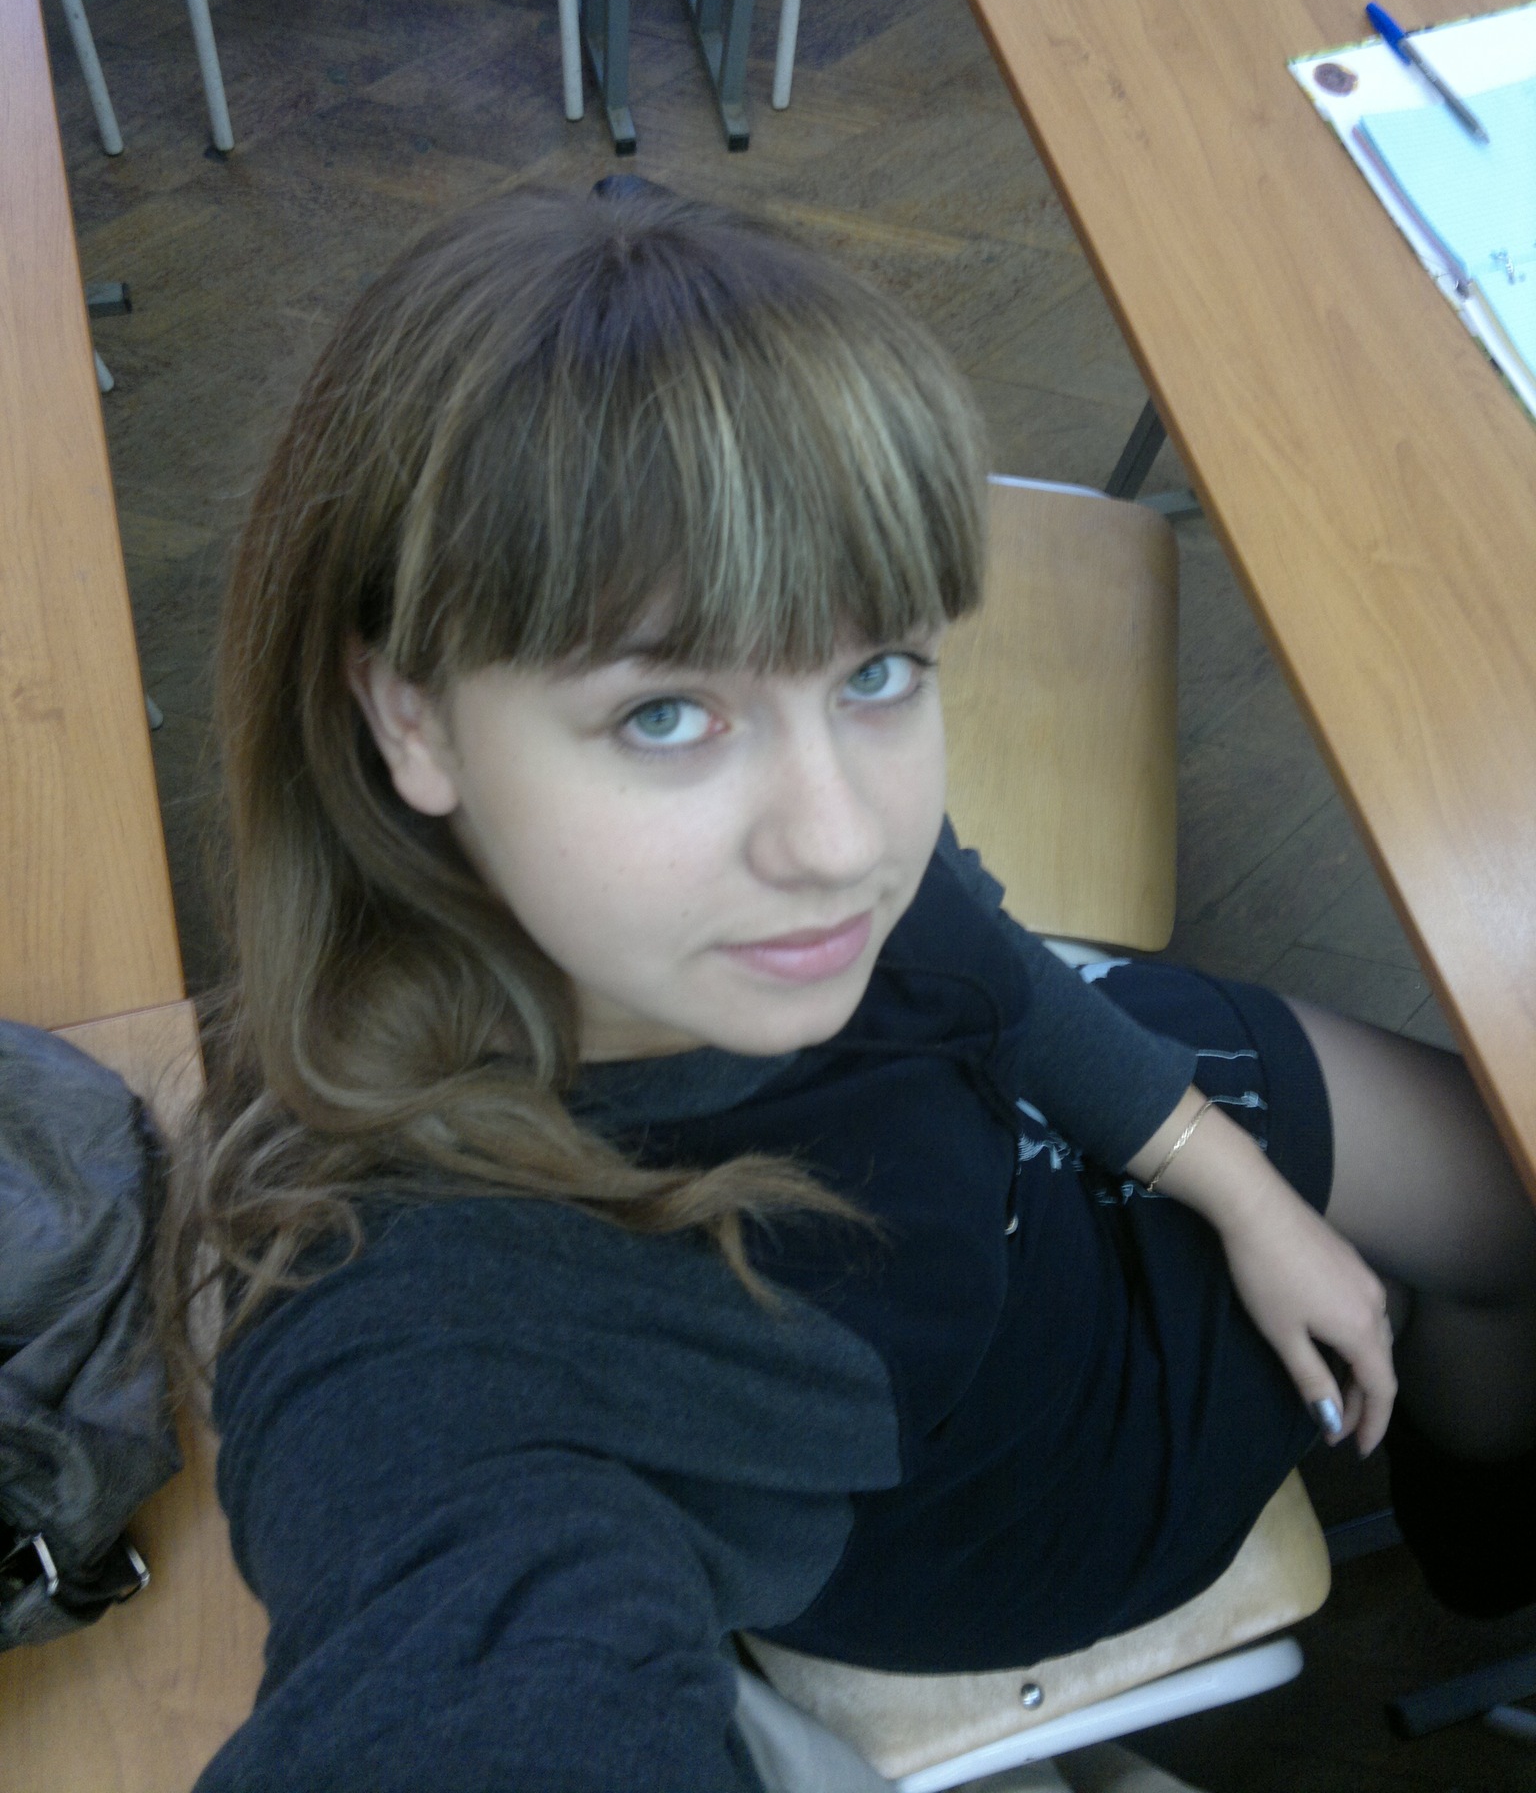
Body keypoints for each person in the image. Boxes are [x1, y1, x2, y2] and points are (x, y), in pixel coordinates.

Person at [164, 183, 1536, 1793]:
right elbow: (467, 1652)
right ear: (410, 717)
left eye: (878, 670)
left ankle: (1477, 1550)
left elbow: (963, 944)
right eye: (666, 715)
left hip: (1054, 1138)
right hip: (1054, 1465)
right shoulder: (444, 1329)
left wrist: (1231, 1181)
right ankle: (1489, 1569)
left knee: (1509, 1193)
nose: (839, 846)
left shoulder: (746, 891)